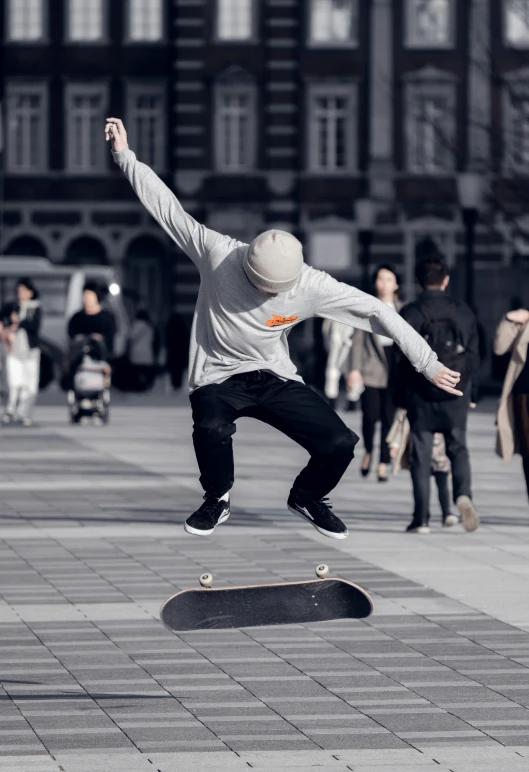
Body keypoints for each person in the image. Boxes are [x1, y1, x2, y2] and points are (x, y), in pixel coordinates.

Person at [106, 116, 462, 540]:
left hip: (273, 376)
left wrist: (428, 362)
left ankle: (308, 496)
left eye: (275, 292)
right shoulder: (218, 253)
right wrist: (125, 157)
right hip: (218, 376)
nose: (266, 296)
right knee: (211, 428)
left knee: (340, 442)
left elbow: (378, 312)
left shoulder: (312, 284)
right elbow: (167, 208)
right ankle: (217, 497)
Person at [394, 254, 481, 534]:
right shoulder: (464, 311)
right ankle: (463, 494)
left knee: (421, 454)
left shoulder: (410, 312)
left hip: (421, 394)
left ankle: (421, 519)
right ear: (446, 280)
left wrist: (401, 397)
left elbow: (400, 359)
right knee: (458, 447)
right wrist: (472, 391)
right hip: (456, 391)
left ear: (419, 282)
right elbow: (475, 356)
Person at [347, 265, 402, 482]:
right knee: (370, 416)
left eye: (389, 279)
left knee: (389, 418)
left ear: (396, 284)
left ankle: (383, 462)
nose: (384, 283)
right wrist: (354, 369)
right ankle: (369, 451)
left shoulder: (403, 309)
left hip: (395, 369)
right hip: (371, 367)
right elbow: (357, 341)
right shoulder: (367, 307)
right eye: (381, 278)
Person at [387, 409, 459, 529]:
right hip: (429, 453)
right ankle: (425, 515)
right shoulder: (441, 404)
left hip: (435, 453)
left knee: (435, 484)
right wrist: (395, 445)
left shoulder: (416, 402)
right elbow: (401, 425)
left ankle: (439, 514)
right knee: (429, 484)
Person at [494, 308, 529, 502]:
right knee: (527, 452)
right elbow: (499, 348)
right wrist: (508, 320)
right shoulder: (522, 322)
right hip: (523, 395)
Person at [0, 277, 42, 427]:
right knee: (13, 382)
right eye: (19, 290)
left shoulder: (35, 308)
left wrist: (19, 322)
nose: (21, 293)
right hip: (13, 349)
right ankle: (10, 410)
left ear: (31, 292)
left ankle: (25, 412)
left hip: (30, 351)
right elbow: (2, 318)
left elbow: (34, 326)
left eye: (24, 290)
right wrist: (6, 328)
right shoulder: (12, 305)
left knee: (29, 384)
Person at [68, 282, 116, 357]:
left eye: (90, 296)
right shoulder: (77, 317)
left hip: (100, 356)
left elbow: (110, 338)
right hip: (80, 355)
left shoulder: (107, 317)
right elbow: (71, 333)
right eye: (85, 296)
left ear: (96, 296)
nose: (87, 299)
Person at [322, 319, 357, 411]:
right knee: (331, 375)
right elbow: (326, 334)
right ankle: (332, 401)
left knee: (350, 375)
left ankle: (352, 402)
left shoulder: (353, 318)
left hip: (348, 353)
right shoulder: (329, 320)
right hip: (334, 351)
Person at [128, 309, 160, 391]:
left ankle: (138, 386)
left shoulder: (136, 325)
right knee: (146, 370)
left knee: (137, 370)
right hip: (147, 352)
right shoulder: (150, 326)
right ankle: (147, 385)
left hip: (136, 351)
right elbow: (154, 340)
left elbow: (131, 337)